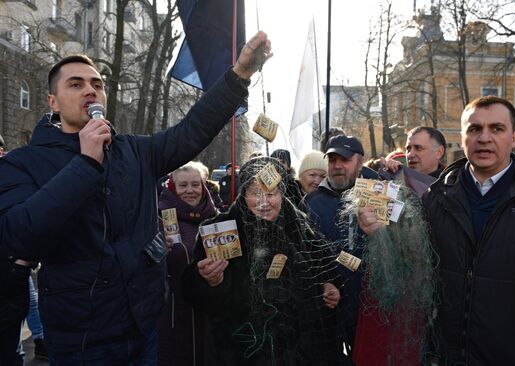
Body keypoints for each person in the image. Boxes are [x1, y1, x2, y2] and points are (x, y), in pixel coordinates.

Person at [0, 31, 272, 364]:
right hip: (81, 340)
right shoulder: (23, 162)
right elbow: (18, 234)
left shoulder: (134, 151)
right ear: (53, 102)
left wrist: (239, 76)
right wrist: (86, 163)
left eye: (97, 84)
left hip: (144, 327)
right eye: (75, 84)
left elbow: (191, 131)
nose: (90, 90)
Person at [422, 96, 515, 365]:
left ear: (514, 138)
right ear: (462, 137)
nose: (484, 138)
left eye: (497, 129)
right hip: (448, 356)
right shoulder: (434, 199)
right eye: (475, 129)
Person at [182, 156, 341, 366]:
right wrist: (210, 280)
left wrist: (328, 286)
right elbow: (199, 296)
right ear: (243, 194)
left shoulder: (300, 225)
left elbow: (324, 266)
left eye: (272, 193)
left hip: (300, 350)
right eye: (255, 193)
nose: (264, 202)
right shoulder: (221, 230)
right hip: (242, 351)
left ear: (282, 194)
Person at [304, 135, 378, 360]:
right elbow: (302, 251)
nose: (337, 166)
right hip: (327, 301)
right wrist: (322, 282)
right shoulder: (311, 201)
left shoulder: (380, 195)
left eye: (344, 160)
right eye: (332, 159)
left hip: (369, 302)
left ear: (360, 162)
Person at [156, 162, 217, 366]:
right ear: (172, 187)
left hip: (209, 315)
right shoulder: (157, 218)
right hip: (172, 315)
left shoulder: (216, 220)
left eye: (195, 184)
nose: (190, 191)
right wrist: (155, 247)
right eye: (183, 185)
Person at [382, 126, 447, 178]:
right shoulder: (398, 179)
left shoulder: (452, 188)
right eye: (408, 149)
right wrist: (390, 177)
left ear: (439, 152)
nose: (410, 154)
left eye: (418, 148)